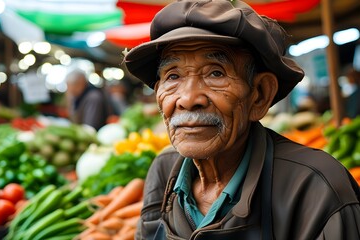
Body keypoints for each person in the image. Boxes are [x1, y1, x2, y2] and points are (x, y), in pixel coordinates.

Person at [123, 0, 360, 239]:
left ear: (259, 95)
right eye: (173, 76)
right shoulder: (164, 169)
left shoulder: (317, 187)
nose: (188, 98)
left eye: (215, 73)